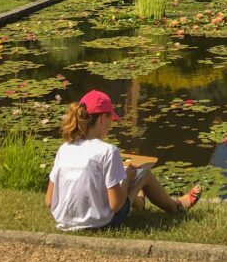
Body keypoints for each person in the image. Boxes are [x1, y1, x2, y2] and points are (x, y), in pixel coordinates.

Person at [46, 89, 201, 232]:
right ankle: (177, 207)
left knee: (126, 178)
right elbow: (115, 205)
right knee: (144, 173)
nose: (111, 124)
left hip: (64, 222)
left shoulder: (64, 148)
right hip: (101, 223)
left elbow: (49, 201)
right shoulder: (107, 151)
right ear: (102, 119)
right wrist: (127, 179)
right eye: (110, 118)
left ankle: (139, 202)